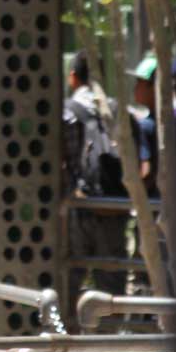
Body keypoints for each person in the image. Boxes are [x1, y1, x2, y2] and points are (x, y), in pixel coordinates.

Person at [61, 51, 129, 312]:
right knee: (111, 287)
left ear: (73, 77)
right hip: (113, 208)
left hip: (80, 208)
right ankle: (109, 347)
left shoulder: (68, 112)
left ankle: (63, 344)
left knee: (70, 280)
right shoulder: (117, 111)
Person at [129, 54, 159, 195]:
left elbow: (145, 171)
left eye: (139, 82)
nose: (135, 87)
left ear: (154, 87)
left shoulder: (144, 126)